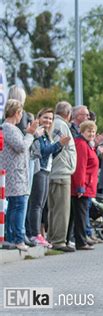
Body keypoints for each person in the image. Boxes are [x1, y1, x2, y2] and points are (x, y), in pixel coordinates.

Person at [27, 108, 70, 247]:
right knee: (36, 204)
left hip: (46, 170)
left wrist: (59, 147)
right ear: (39, 118)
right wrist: (59, 144)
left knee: (41, 204)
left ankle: (36, 234)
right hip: (38, 170)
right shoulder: (38, 133)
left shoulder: (47, 134)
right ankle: (34, 234)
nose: (48, 121)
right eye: (45, 117)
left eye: (50, 118)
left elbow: (51, 154)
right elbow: (42, 152)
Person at [0, 99, 39, 251]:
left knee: (15, 206)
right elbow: (21, 147)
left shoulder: (11, 128)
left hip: (17, 174)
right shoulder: (9, 128)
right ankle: (17, 238)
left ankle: (13, 237)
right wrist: (30, 134)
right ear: (17, 113)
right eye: (20, 113)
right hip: (15, 175)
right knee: (19, 205)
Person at [48, 101, 77, 252]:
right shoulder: (61, 125)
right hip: (60, 172)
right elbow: (59, 146)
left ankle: (52, 238)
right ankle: (58, 240)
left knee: (54, 209)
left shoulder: (56, 123)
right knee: (61, 209)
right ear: (68, 114)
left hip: (56, 171)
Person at [71, 121, 99, 250]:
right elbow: (80, 167)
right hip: (83, 186)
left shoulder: (88, 145)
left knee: (81, 214)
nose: (91, 134)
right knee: (81, 215)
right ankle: (81, 241)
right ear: (82, 131)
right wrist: (80, 186)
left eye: (93, 131)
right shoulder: (81, 144)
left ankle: (80, 239)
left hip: (88, 184)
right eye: (89, 131)